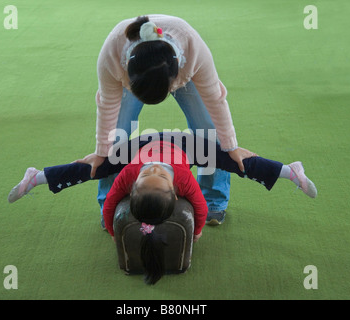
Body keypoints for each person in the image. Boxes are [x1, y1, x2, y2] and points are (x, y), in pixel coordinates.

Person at [8, 132, 317, 285]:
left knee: (96, 166)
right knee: (232, 161)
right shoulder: (178, 177)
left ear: (135, 183)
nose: (154, 170)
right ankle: (36, 177)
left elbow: (114, 202)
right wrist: (195, 231)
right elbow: (197, 204)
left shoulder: (133, 171)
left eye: (149, 176)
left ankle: (38, 176)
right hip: (183, 148)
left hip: (146, 146)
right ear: (173, 189)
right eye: (154, 176)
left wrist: (112, 230)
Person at [80, 14, 252, 227]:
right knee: (116, 137)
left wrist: (230, 146)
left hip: (181, 63)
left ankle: (214, 202)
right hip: (137, 73)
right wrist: (101, 152)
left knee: (210, 132)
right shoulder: (112, 55)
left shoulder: (192, 49)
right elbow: (108, 106)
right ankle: (110, 203)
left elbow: (215, 101)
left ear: (175, 77)